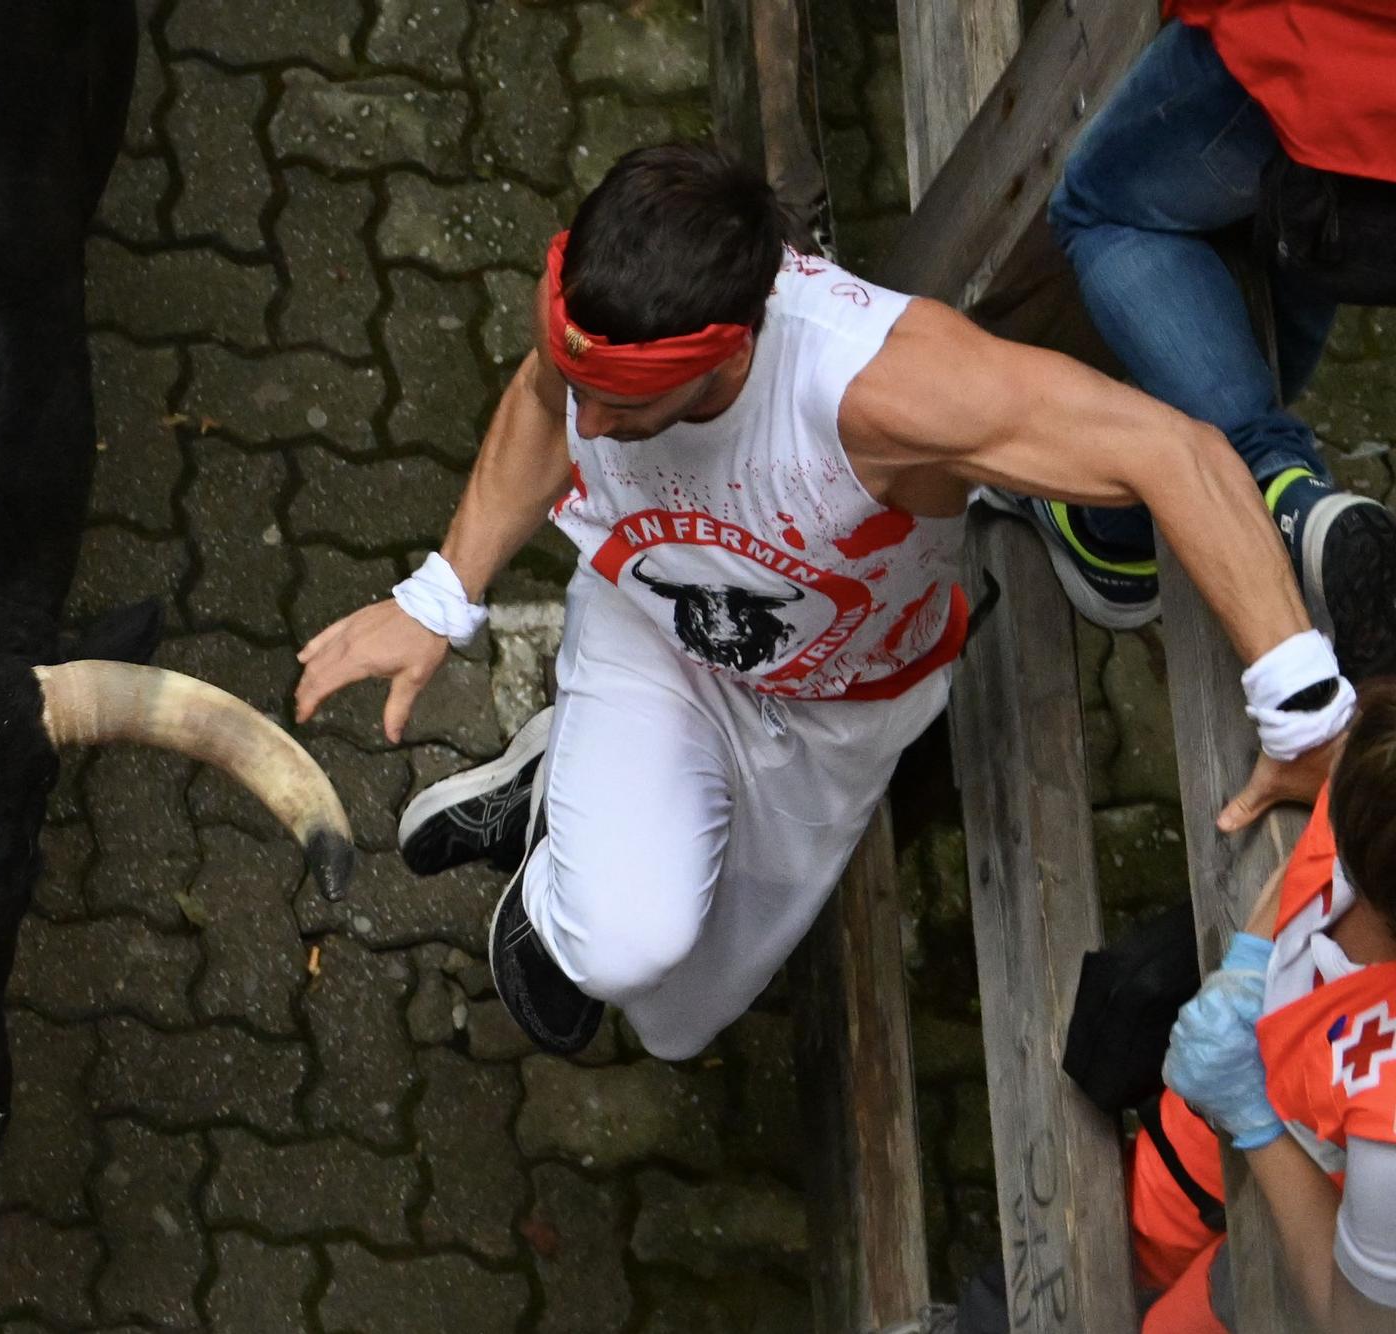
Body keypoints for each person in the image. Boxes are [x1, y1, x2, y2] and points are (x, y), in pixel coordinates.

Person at [292, 143, 1354, 1058]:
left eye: (621, 407)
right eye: (583, 394)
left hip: (829, 702)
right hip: (650, 634)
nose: (590, 432)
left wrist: (1302, 708)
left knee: (681, 1017)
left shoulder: (882, 387)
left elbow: (1177, 452)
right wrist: (441, 593)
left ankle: (553, 784)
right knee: (621, 944)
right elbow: (537, 396)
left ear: (728, 354)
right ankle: (569, 813)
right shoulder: (613, 315)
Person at [982, 1, 1396, 683]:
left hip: (1321, 45)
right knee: (1298, 235)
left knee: (1103, 211)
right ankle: (1119, 527)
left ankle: (1278, 486)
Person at [1144, 681, 1396, 1333]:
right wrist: (1255, 957)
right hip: (1273, 1058)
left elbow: (1356, 1321)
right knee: (1151, 1205)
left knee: (1186, 1317)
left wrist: (1253, 1118)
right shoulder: (1376, 780)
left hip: (1340, 1197)